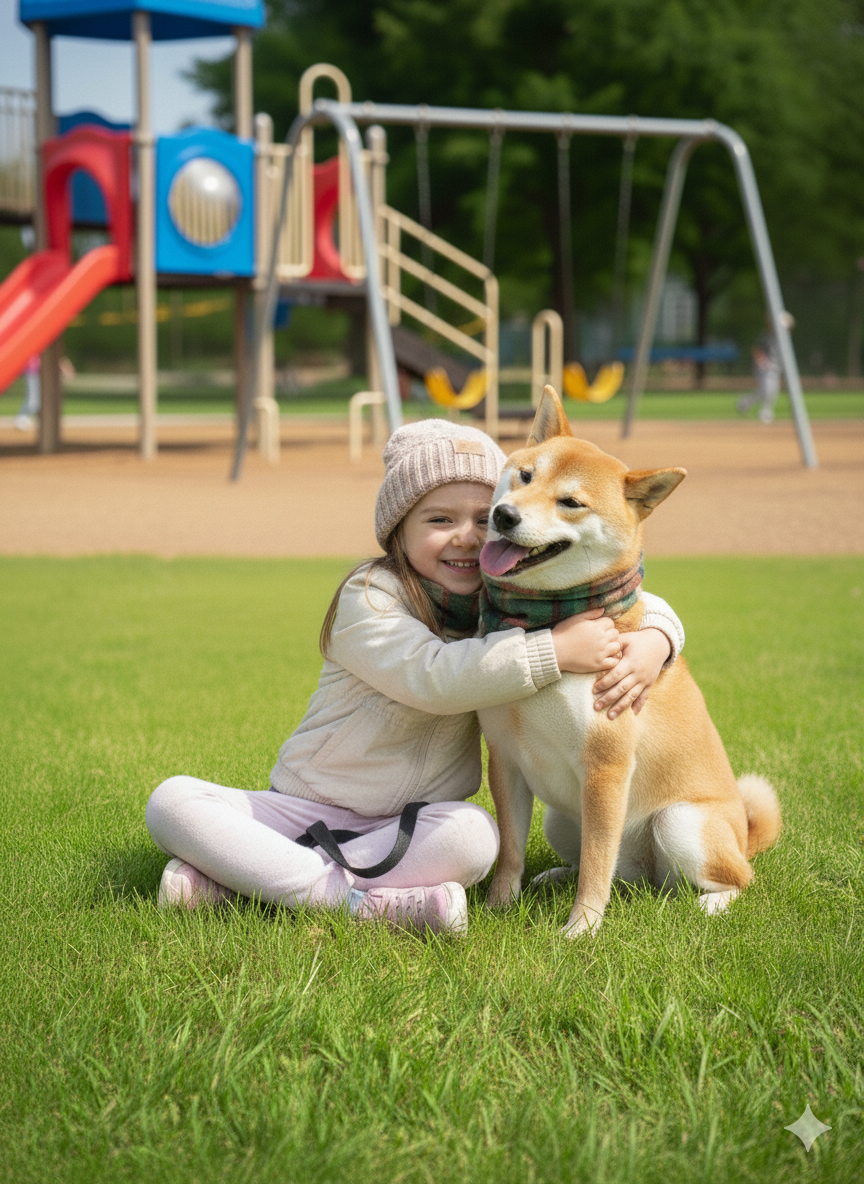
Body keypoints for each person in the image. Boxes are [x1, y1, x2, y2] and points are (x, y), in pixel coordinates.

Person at [145, 420, 685, 935]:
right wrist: (555, 651)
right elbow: (436, 678)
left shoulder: (505, 596)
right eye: (439, 521)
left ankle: (247, 882)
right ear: (396, 530)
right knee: (173, 801)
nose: (469, 538)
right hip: (309, 806)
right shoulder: (369, 597)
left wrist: (658, 637)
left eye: (483, 517)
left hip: (413, 823)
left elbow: (627, 594)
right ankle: (361, 904)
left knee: (476, 838)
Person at [737, 312, 794, 424]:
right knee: (769, 388)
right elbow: (757, 350)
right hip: (763, 367)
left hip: (775, 367)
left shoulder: (783, 338)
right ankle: (765, 411)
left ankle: (745, 403)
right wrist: (762, 363)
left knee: (770, 390)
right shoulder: (765, 336)